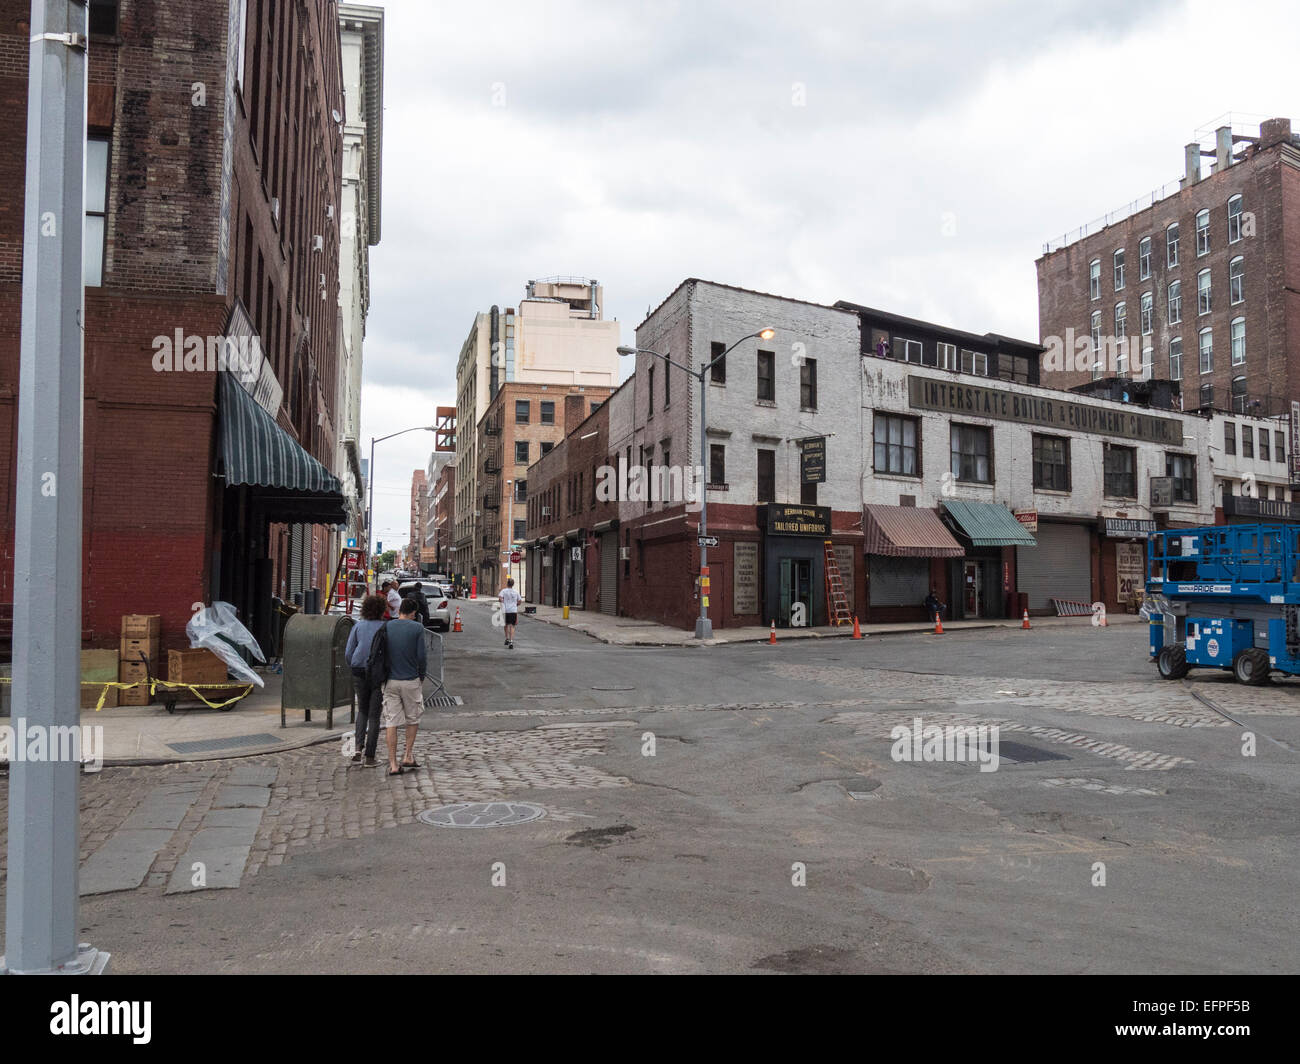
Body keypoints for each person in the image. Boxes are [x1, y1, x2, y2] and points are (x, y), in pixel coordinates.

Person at [381, 598, 427, 775]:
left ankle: (393, 764)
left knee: (391, 721)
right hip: (410, 680)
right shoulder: (417, 628)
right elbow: (421, 656)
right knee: (413, 718)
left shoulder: (387, 626)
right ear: (414, 613)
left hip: (390, 680)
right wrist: (421, 675)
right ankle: (408, 755)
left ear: (400, 610)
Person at [343, 593, 387, 767]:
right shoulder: (385, 627)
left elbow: (348, 652)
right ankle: (370, 756)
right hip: (377, 673)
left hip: (358, 670)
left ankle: (358, 748)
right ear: (382, 610)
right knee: (374, 715)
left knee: (362, 709)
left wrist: (353, 665)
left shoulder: (358, 626)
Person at [499, 577, 521, 649]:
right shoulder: (516, 592)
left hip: (506, 610)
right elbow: (519, 601)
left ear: (507, 584)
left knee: (506, 625)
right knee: (512, 626)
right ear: (513, 584)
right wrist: (515, 604)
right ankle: (511, 641)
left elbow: (500, 598)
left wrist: (502, 601)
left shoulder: (503, 591)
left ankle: (507, 638)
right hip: (513, 611)